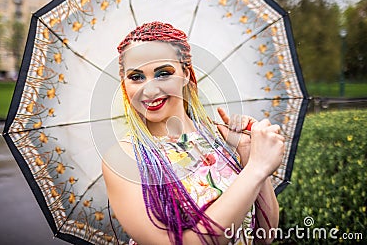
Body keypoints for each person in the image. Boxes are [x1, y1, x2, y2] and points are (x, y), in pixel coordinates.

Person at [102, 21, 284, 245]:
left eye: (163, 73)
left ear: (186, 73)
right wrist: (256, 169)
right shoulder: (124, 158)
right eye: (136, 77)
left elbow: (264, 236)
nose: (148, 89)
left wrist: (248, 155)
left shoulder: (220, 137)